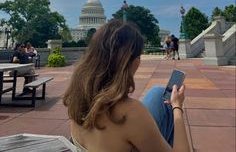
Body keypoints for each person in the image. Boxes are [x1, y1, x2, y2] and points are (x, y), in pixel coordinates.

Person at [63, 20, 190, 152]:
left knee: (158, 93)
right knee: (168, 108)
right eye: (139, 57)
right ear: (128, 62)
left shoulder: (76, 97)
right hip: (130, 127)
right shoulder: (130, 112)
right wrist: (177, 107)